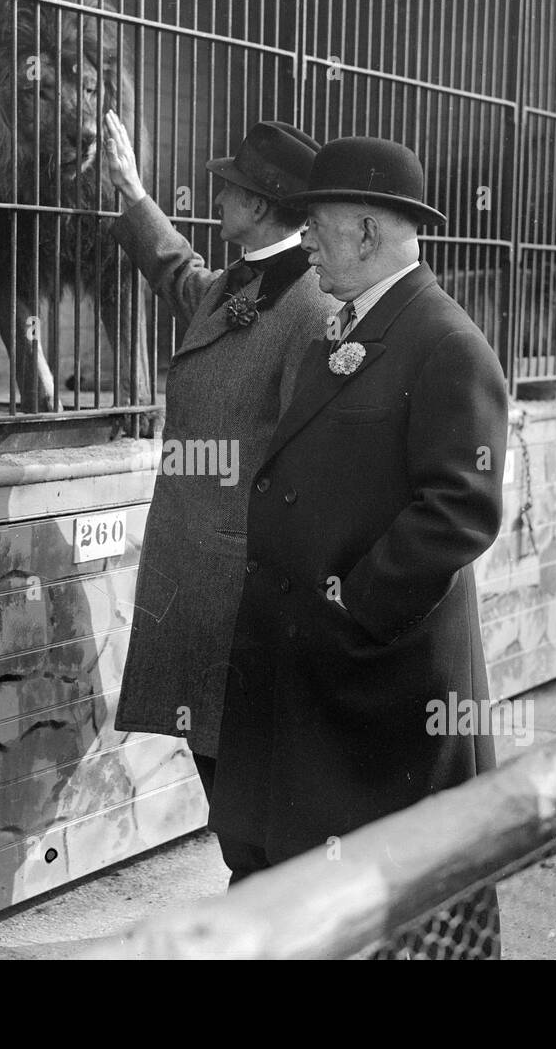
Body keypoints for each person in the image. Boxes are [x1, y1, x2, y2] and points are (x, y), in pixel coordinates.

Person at [207, 136, 507, 954]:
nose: (304, 240)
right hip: (321, 683)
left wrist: (356, 602)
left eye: (317, 225)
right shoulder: (349, 328)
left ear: (368, 234)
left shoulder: (444, 343)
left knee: (401, 915)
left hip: (384, 689)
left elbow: (461, 507)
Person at [101, 112, 339, 822]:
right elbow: (184, 278)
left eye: (230, 187)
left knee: (247, 773)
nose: (217, 195)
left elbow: (312, 464)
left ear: (261, 205)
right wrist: (135, 196)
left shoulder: (311, 304)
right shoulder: (248, 277)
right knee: (218, 762)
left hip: (244, 585)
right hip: (199, 574)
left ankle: (261, 903)